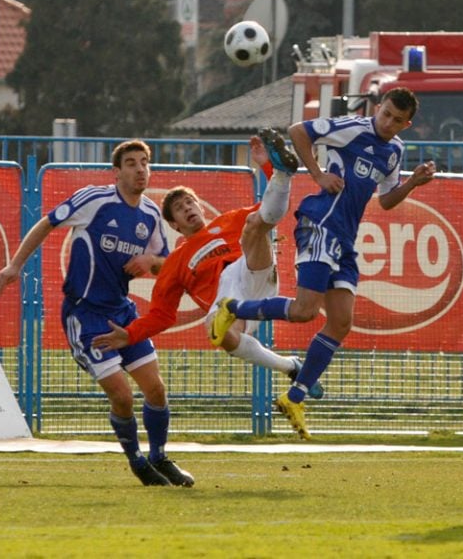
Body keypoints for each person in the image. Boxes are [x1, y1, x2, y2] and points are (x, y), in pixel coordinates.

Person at [209, 87, 436, 439]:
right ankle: (232, 308)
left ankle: (294, 396)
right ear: (378, 107)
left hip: (345, 238)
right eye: (386, 113)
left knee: (341, 322)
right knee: (304, 310)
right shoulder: (353, 127)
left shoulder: (395, 151)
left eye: (397, 119)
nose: (388, 122)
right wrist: (316, 174)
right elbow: (299, 130)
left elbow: (386, 201)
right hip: (320, 222)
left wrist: (413, 184)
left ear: (406, 124)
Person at [0, 140, 193, 487]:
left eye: (145, 162)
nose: (140, 169)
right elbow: (46, 223)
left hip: (123, 313)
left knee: (156, 390)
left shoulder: (149, 215)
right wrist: (14, 265)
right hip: (85, 315)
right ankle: (137, 461)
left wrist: (151, 261)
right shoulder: (95, 200)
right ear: (117, 172)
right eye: (131, 163)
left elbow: (167, 265)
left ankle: (160, 456)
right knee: (123, 395)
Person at [91, 131, 323, 400]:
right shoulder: (177, 261)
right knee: (222, 335)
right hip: (231, 305)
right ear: (174, 224)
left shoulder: (230, 220)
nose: (187, 207)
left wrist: (269, 168)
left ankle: (283, 174)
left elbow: (273, 210)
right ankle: (290, 366)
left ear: (200, 206)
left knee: (256, 225)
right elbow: (162, 315)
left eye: (190, 202)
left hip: (253, 273)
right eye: (179, 208)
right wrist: (130, 335)